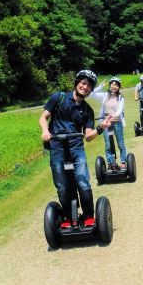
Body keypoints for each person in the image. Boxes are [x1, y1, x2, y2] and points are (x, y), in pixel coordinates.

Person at [39, 70, 110, 229]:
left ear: (91, 90)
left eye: (89, 86)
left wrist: (100, 128)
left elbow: (88, 136)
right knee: (63, 186)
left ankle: (88, 216)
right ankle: (67, 218)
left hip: (76, 149)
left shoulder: (87, 110)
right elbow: (43, 117)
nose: (85, 87)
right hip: (57, 149)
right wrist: (45, 131)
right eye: (83, 83)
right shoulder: (59, 98)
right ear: (77, 82)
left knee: (83, 183)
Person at [90, 77, 128, 171]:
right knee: (108, 145)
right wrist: (100, 87)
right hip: (106, 123)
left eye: (116, 85)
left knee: (120, 143)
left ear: (119, 87)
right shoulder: (104, 95)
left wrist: (114, 115)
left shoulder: (120, 98)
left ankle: (123, 162)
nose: (114, 86)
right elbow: (91, 94)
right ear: (110, 85)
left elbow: (120, 110)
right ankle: (111, 163)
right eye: (113, 84)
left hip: (117, 122)